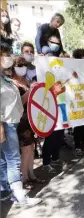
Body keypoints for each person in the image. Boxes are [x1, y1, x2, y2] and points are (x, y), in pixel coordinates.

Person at [0, 43, 42, 205]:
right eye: (4, 55)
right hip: (6, 124)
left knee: (4, 160)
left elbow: (18, 101)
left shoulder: (5, 79)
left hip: (12, 123)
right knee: (13, 160)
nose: (7, 58)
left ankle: (4, 192)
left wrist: (31, 91)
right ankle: (20, 197)